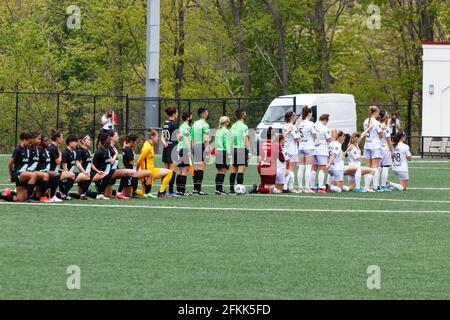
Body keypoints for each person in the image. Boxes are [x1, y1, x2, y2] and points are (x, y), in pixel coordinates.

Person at [136, 129, 174, 198]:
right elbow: (139, 160)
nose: (158, 138)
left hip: (151, 171)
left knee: (170, 172)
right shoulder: (147, 147)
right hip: (147, 173)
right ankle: (131, 191)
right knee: (143, 193)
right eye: (157, 136)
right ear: (152, 136)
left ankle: (161, 192)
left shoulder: (150, 145)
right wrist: (137, 171)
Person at [1, 133, 36, 202]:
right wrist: (12, 175)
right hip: (18, 173)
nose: (30, 144)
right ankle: (29, 198)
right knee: (33, 175)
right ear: (24, 140)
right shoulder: (18, 149)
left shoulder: (27, 150)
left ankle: (1, 196)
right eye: (29, 142)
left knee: (20, 199)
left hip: (24, 175)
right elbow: (11, 163)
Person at [252, 129, 285, 194]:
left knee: (264, 185)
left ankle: (260, 187)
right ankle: (258, 188)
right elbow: (282, 159)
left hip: (261, 166)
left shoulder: (262, 144)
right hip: (270, 169)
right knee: (270, 190)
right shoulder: (276, 145)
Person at [230, 109, 251, 194]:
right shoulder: (244, 126)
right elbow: (245, 139)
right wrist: (248, 151)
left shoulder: (233, 125)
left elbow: (230, 139)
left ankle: (231, 189)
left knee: (234, 170)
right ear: (242, 115)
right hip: (241, 149)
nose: (246, 115)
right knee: (241, 169)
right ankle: (239, 188)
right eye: (245, 113)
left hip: (234, 149)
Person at [363, 106, 383, 192]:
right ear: (375, 112)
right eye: (378, 112)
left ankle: (367, 185)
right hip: (375, 145)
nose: (378, 114)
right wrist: (382, 129)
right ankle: (371, 186)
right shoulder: (377, 122)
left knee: (368, 165)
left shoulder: (365, 121)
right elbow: (381, 135)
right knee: (375, 166)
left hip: (367, 144)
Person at [191, 107, 210, 195]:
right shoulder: (205, 125)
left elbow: (192, 138)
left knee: (196, 168)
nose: (207, 113)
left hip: (195, 146)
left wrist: (193, 147)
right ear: (204, 113)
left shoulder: (194, 124)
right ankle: (199, 189)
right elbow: (206, 139)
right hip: (202, 146)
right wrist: (207, 151)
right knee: (201, 168)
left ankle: (195, 189)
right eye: (207, 112)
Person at [296, 107, 316, 193]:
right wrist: (313, 139)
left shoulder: (298, 123)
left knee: (301, 168)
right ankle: (307, 187)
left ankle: (300, 187)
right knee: (308, 167)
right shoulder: (310, 123)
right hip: (309, 147)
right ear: (309, 113)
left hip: (301, 146)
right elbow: (315, 134)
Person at [161, 106, 179, 196]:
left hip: (166, 147)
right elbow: (178, 137)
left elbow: (162, 136)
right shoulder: (174, 124)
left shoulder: (165, 123)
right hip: (173, 147)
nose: (177, 114)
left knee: (165, 170)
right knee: (172, 170)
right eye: (177, 112)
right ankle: (171, 191)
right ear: (173, 114)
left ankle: (163, 190)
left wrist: (164, 143)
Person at [312, 114, 332, 193]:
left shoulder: (314, 126)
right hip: (322, 149)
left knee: (314, 168)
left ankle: (311, 187)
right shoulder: (325, 128)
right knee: (323, 168)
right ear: (325, 120)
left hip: (314, 148)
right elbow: (329, 139)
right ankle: (320, 187)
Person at [282, 111, 300, 193]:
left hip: (286, 149)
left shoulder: (285, 126)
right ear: (291, 117)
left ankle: (285, 187)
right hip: (292, 150)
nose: (295, 116)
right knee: (291, 170)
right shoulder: (292, 127)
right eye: (294, 115)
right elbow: (297, 139)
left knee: (286, 169)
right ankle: (289, 188)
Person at [176, 112, 193, 196]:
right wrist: (189, 150)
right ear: (187, 118)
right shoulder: (187, 127)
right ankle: (182, 191)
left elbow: (178, 137)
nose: (191, 118)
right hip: (185, 149)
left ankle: (178, 190)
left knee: (179, 170)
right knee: (185, 170)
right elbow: (186, 138)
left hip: (179, 149)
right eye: (191, 117)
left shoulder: (181, 126)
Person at [378, 111, 395, 191]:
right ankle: (383, 186)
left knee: (378, 168)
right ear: (385, 117)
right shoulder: (386, 128)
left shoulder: (377, 126)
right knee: (385, 167)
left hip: (378, 149)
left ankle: (376, 185)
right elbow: (388, 140)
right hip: (385, 149)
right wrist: (392, 151)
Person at [215, 116, 231, 195]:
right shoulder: (226, 131)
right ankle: (220, 190)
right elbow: (226, 143)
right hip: (223, 152)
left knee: (219, 171)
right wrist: (229, 153)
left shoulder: (218, 131)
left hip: (218, 152)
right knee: (223, 171)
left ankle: (217, 189)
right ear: (226, 122)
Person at [75, 134, 95, 200]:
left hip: (88, 173)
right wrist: (83, 172)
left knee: (78, 194)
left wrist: (98, 171)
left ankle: (83, 194)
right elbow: (78, 164)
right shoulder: (80, 151)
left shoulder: (88, 151)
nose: (90, 141)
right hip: (84, 173)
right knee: (79, 194)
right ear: (83, 141)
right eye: (88, 139)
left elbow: (90, 163)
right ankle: (83, 195)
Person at [60, 134, 78, 200]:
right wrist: (67, 175)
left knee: (86, 176)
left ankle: (82, 194)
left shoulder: (74, 152)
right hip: (64, 173)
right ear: (70, 142)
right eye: (75, 142)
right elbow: (64, 165)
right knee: (72, 175)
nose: (76, 143)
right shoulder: (65, 152)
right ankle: (64, 193)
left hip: (71, 172)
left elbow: (77, 163)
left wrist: (84, 172)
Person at [47, 129, 63, 202]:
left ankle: (61, 193)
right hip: (50, 171)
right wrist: (60, 155)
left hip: (53, 170)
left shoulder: (54, 147)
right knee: (67, 175)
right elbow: (58, 162)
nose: (62, 139)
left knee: (69, 174)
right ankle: (53, 195)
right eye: (62, 137)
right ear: (57, 138)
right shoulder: (53, 148)